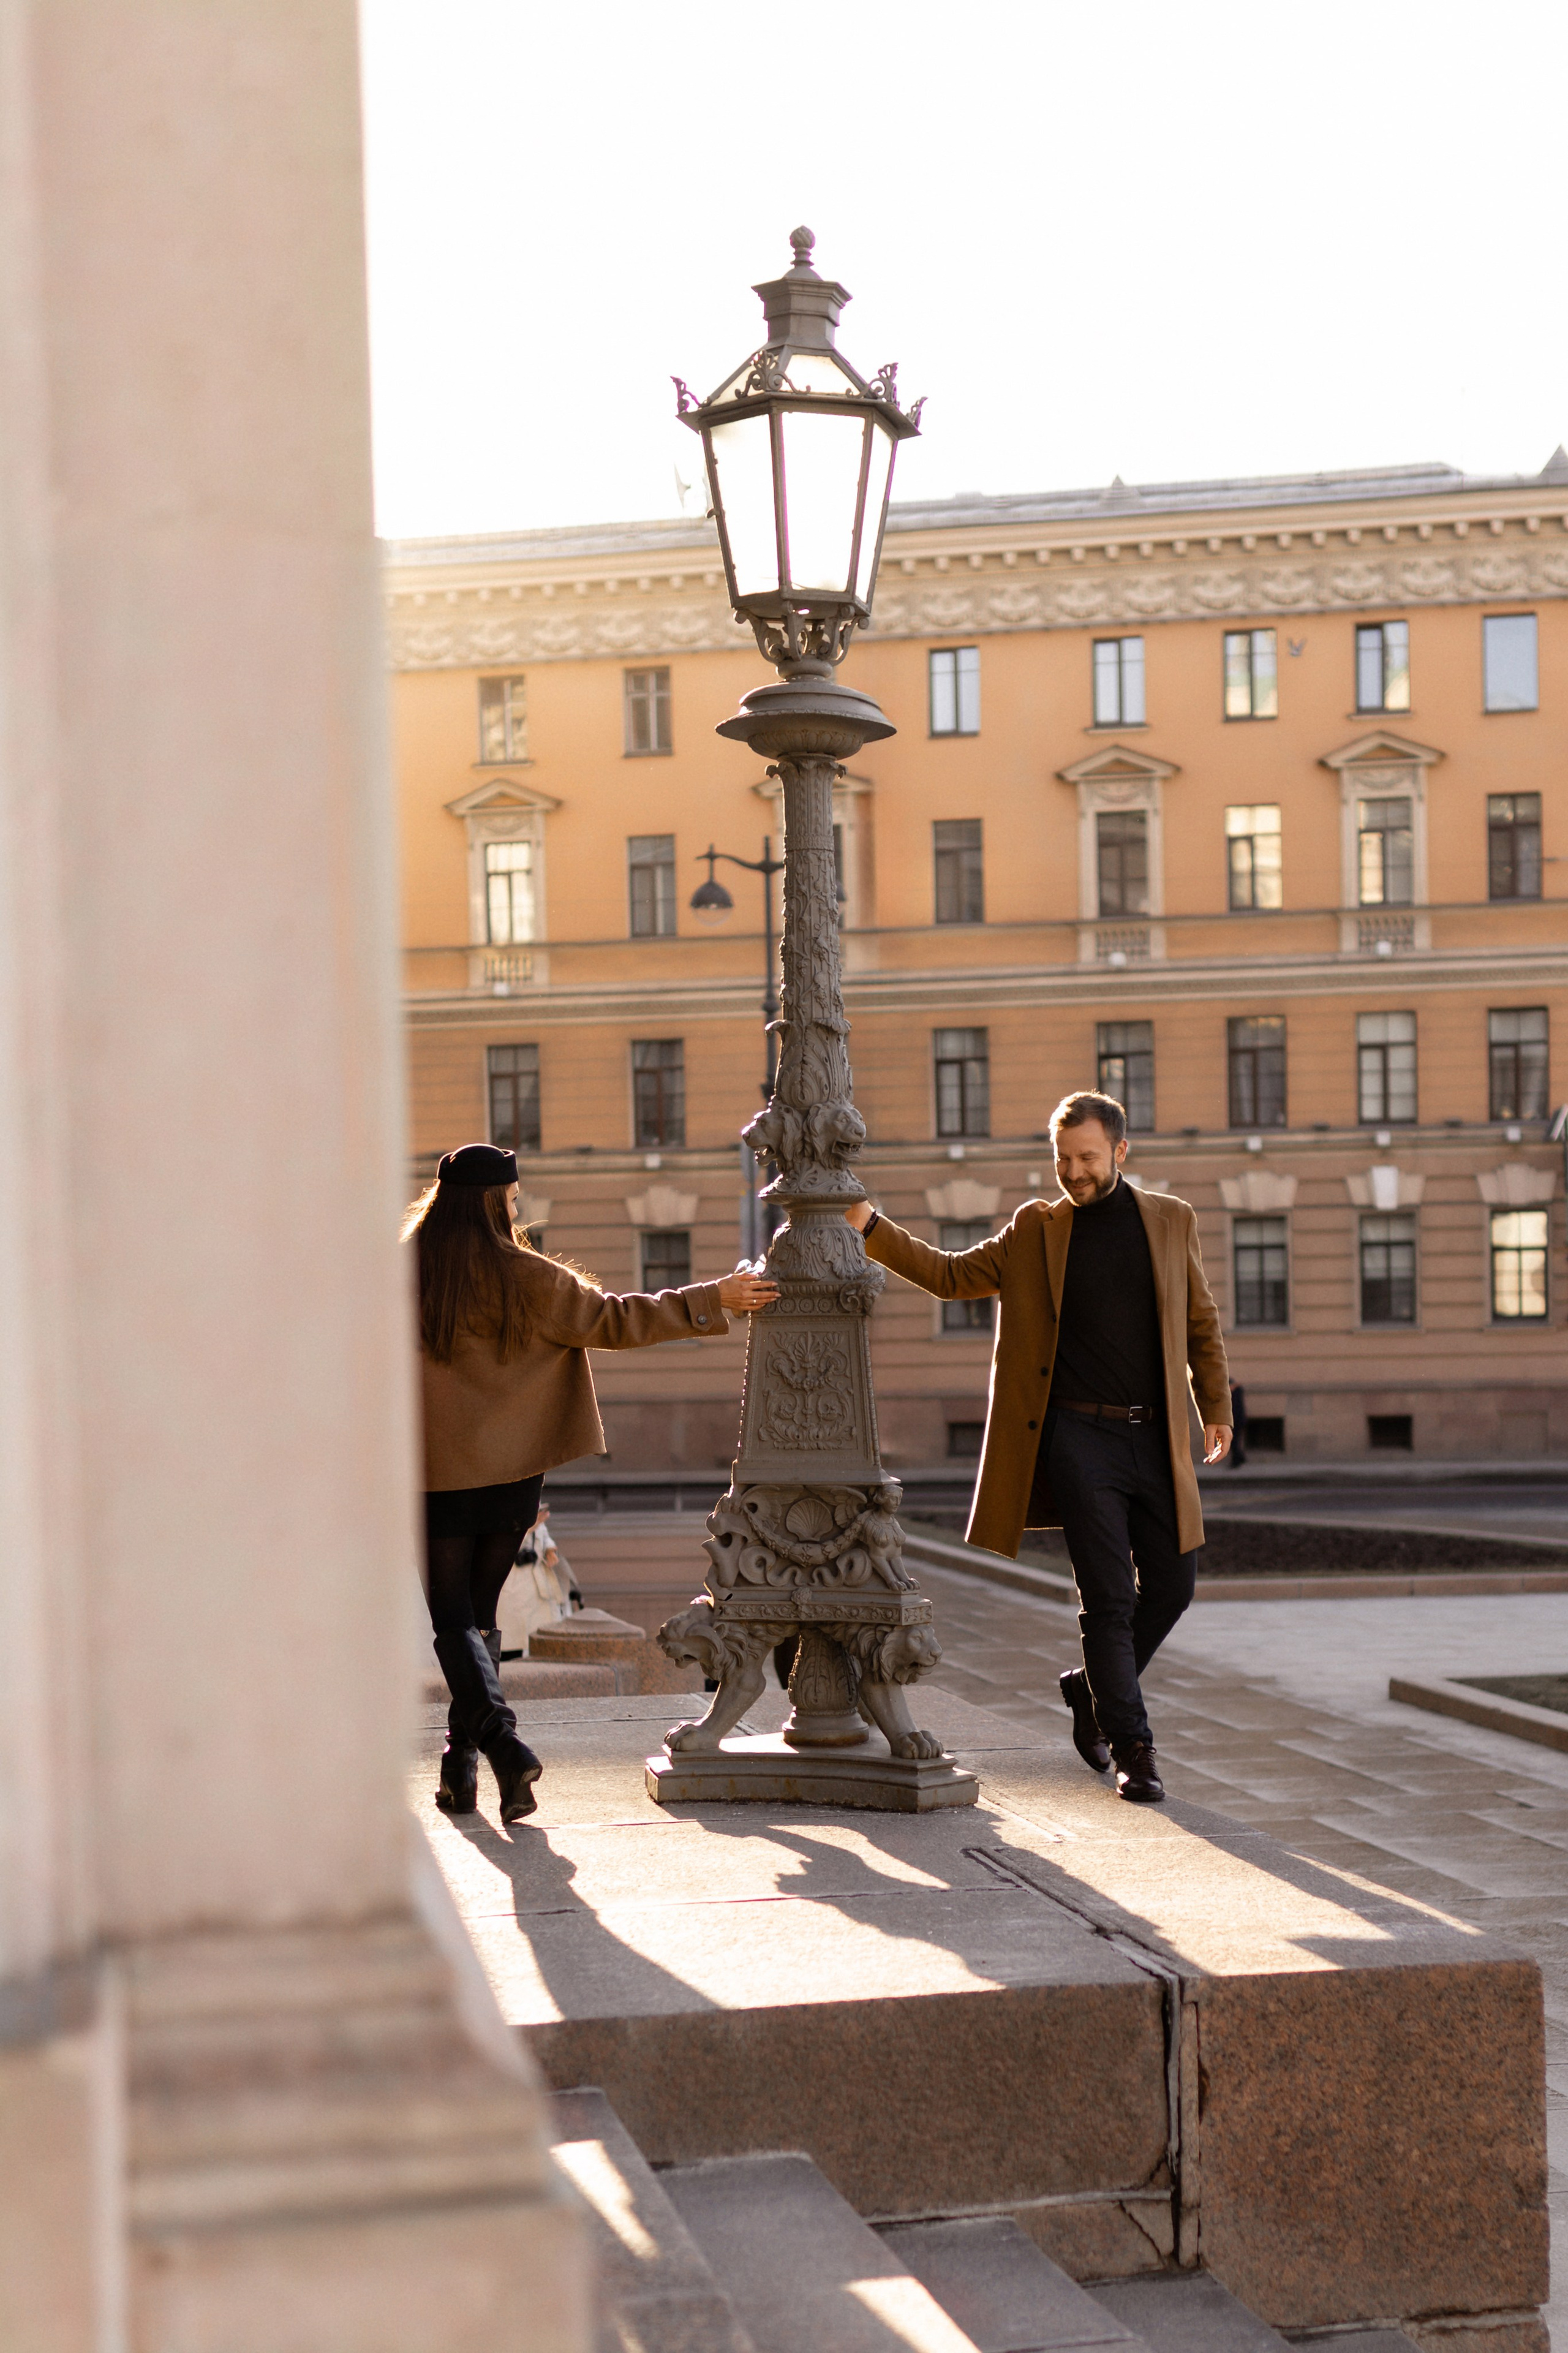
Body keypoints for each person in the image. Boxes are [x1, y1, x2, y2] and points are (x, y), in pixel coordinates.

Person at [845, 1090, 1230, 1805]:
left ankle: (1089, 1689)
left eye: (1087, 1158)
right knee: (1107, 1599)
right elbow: (951, 1275)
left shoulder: (1171, 1220)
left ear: (1120, 1151)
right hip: (1076, 1439)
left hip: (1156, 1436)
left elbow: (1199, 1320)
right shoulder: (1035, 1229)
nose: (1073, 1172)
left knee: (1173, 1587)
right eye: (1062, 1159)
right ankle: (1133, 1748)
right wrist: (870, 1225)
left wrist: (1216, 1406)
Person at [405, 1142, 778, 1822]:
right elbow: (616, 1319)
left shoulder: (400, 1275)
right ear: (490, 1203)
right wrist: (711, 1298)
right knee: (479, 1618)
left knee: (454, 1620)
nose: (516, 1209)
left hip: (435, 1474)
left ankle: (494, 1750)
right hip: (512, 1474)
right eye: (511, 1199)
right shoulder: (530, 1276)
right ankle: (471, 1762)